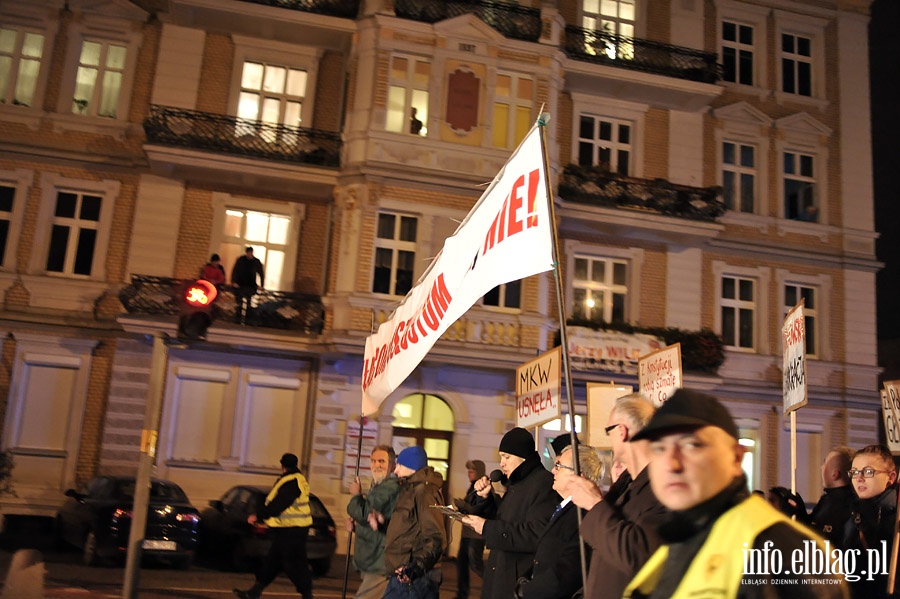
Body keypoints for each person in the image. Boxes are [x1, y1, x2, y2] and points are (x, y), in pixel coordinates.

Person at [623, 388, 848, 598]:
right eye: (659, 448)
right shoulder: (680, 539)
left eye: (692, 445)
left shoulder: (784, 549)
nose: (671, 463)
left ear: (736, 457)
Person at [566, 393, 667, 599]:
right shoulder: (630, 484)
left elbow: (638, 554)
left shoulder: (663, 487)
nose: (609, 438)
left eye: (608, 430)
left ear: (622, 431)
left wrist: (595, 504)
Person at [460, 427, 558, 599]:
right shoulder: (517, 483)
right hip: (501, 572)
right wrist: (485, 499)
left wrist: (487, 528)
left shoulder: (542, 483)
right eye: (501, 457)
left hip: (516, 580)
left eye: (506, 457)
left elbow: (535, 534)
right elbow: (505, 518)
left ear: (523, 457)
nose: (502, 463)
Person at [514, 444, 605, 599]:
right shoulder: (565, 508)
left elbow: (568, 571)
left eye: (559, 466)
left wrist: (528, 591)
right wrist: (525, 579)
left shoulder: (582, 514)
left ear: (579, 475)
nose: (552, 471)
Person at [233, 453, 313, 599]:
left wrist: (259, 515)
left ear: (282, 466)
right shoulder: (296, 479)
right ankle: (255, 591)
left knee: (293, 564)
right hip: (290, 529)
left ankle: (307, 595)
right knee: (273, 561)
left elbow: (279, 504)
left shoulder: (291, 482)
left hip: (293, 530)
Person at [383, 446, 446, 599]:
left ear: (411, 467)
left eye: (399, 465)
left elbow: (435, 536)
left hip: (414, 580)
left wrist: (415, 568)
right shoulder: (410, 490)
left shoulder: (424, 492)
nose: (395, 470)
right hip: (404, 577)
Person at [841, 444, 898, 599]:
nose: (859, 478)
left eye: (868, 472)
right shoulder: (853, 515)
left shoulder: (896, 518)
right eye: (854, 472)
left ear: (890, 478)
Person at [347, 445, 401, 599]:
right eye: (373, 461)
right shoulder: (378, 486)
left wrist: (356, 496)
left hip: (379, 561)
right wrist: (356, 526)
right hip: (373, 558)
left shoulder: (389, 488)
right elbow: (375, 521)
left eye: (382, 461)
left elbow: (366, 514)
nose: (377, 465)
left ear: (392, 465)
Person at [452, 459, 486, 599]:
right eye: (468, 471)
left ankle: (492, 587)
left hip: (475, 536)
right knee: (462, 564)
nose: (469, 474)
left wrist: (463, 505)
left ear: (478, 472)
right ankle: (462, 594)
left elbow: (480, 509)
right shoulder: (472, 487)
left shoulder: (483, 488)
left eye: (471, 472)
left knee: (476, 564)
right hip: (467, 534)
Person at [810, 446, 855, 546]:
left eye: (825, 463)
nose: (821, 467)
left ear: (835, 474)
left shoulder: (848, 506)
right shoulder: (826, 500)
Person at [231, 246, 265, 324]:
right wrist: (234, 282)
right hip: (241, 284)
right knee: (239, 303)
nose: (250, 254)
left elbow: (261, 273)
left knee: (248, 303)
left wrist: (261, 285)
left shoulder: (255, 261)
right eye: (249, 253)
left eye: (251, 253)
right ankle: (238, 319)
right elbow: (235, 271)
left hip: (250, 285)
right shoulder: (241, 260)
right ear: (246, 253)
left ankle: (247, 320)